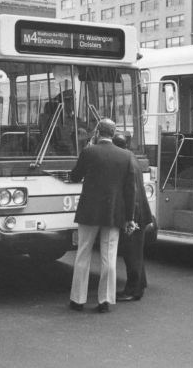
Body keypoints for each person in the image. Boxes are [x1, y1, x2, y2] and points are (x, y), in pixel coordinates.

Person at [68, 119, 135, 313]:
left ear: (97, 132)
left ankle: (78, 300)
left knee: (83, 254)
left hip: (89, 211)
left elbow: (75, 176)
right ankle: (105, 300)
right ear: (113, 134)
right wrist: (129, 218)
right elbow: (130, 190)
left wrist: (89, 146)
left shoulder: (89, 152)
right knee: (109, 256)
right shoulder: (125, 156)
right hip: (114, 212)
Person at [113, 133, 152, 302]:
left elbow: (132, 191)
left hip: (136, 214)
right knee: (136, 252)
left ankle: (132, 290)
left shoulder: (124, 161)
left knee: (131, 254)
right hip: (141, 212)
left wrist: (131, 218)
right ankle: (140, 284)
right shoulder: (132, 157)